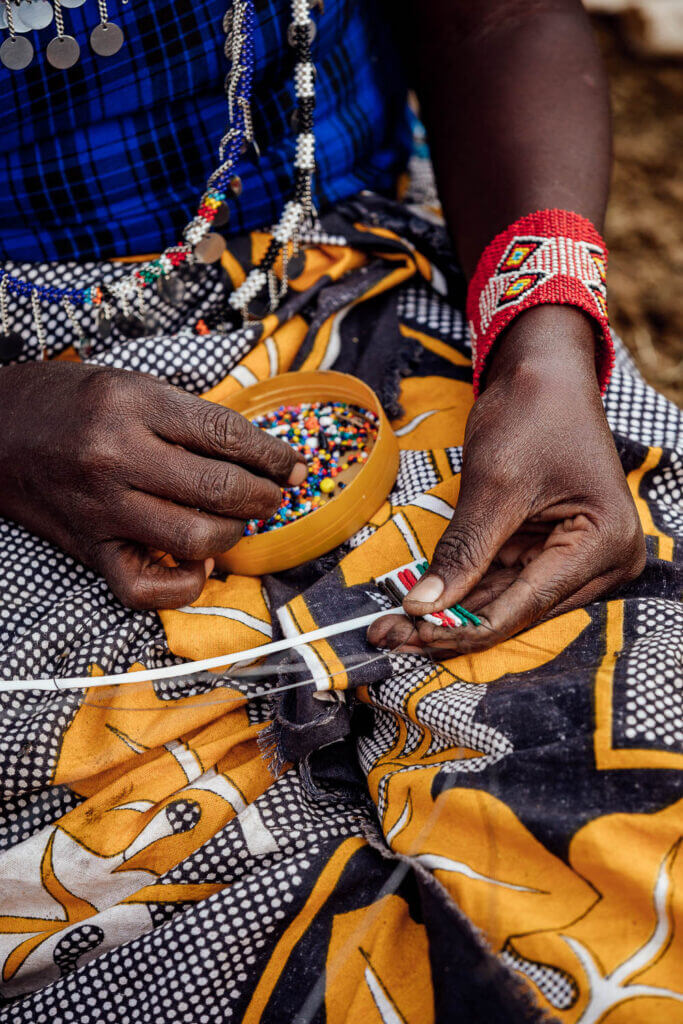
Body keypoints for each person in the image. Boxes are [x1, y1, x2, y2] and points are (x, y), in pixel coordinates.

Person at [0, 2, 680, 1021]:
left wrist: (542, 345)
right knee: (113, 883)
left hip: (370, 282)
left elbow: (500, 20)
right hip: (31, 425)